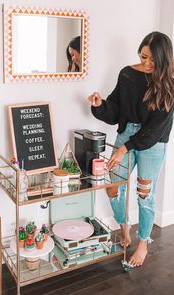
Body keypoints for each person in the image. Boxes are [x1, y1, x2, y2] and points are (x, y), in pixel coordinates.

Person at [87, 31, 174, 267]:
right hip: (127, 133)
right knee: (113, 187)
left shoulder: (169, 84)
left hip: (153, 142)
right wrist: (100, 105)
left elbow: (156, 128)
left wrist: (124, 148)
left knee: (144, 195)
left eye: (152, 61)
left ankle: (143, 243)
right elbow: (116, 110)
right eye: (143, 56)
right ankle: (125, 229)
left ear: (164, 60)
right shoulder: (127, 74)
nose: (146, 63)